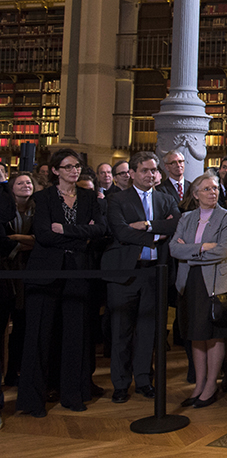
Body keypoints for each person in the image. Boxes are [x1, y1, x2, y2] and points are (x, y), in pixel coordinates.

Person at [17, 149, 106, 417]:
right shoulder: (43, 197)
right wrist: (81, 234)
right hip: (45, 272)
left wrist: (65, 229)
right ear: (55, 170)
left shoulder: (90, 197)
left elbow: (100, 229)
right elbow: (43, 235)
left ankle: (73, 395)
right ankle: (33, 401)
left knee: (76, 335)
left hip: (78, 271)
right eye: (67, 167)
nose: (74, 171)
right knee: (39, 335)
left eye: (77, 166)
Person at [102, 151, 182, 403]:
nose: (151, 175)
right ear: (132, 174)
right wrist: (159, 232)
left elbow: (176, 226)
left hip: (154, 272)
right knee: (121, 331)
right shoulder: (116, 199)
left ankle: (144, 380)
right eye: (145, 170)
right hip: (125, 272)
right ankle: (120, 384)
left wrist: (147, 225)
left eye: (154, 170)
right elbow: (122, 232)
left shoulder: (166, 199)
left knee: (149, 331)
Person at [169, 174, 227, 408]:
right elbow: (173, 249)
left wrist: (190, 251)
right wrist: (202, 247)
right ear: (195, 194)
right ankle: (198, 385)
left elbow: (223, 251)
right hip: (190, 282)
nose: (213, 192)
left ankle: (211, 385)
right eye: (207, 189)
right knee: (196, 334)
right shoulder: (186, 218)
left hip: (217, 283)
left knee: (214, 334)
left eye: (215, 188)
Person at [1, 173, 34, 388]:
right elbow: (4, 242)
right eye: (20, 183)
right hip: (7, 270)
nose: (25, 186)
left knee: (22, 325)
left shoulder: (37, 209)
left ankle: (16, 371)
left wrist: (16, 240)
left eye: (29, 182)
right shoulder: (4, 210)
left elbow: (39, 240)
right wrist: (23, 242)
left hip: (29, 270)